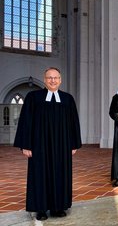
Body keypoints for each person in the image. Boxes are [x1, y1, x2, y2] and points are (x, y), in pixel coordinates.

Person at [14, 67, 82, 221]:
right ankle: (41, 209)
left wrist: (73, 144)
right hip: (39, 146)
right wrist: (26, 145)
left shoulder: (67, 99)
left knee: (60, 173)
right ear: (44, 80)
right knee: (40, 175)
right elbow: (26, 121)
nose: (53, 80)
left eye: (56, 77)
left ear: (60, 80)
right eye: (49, 78)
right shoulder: (33, 97)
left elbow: (74, 123)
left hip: (62, 145)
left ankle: (58, 207)